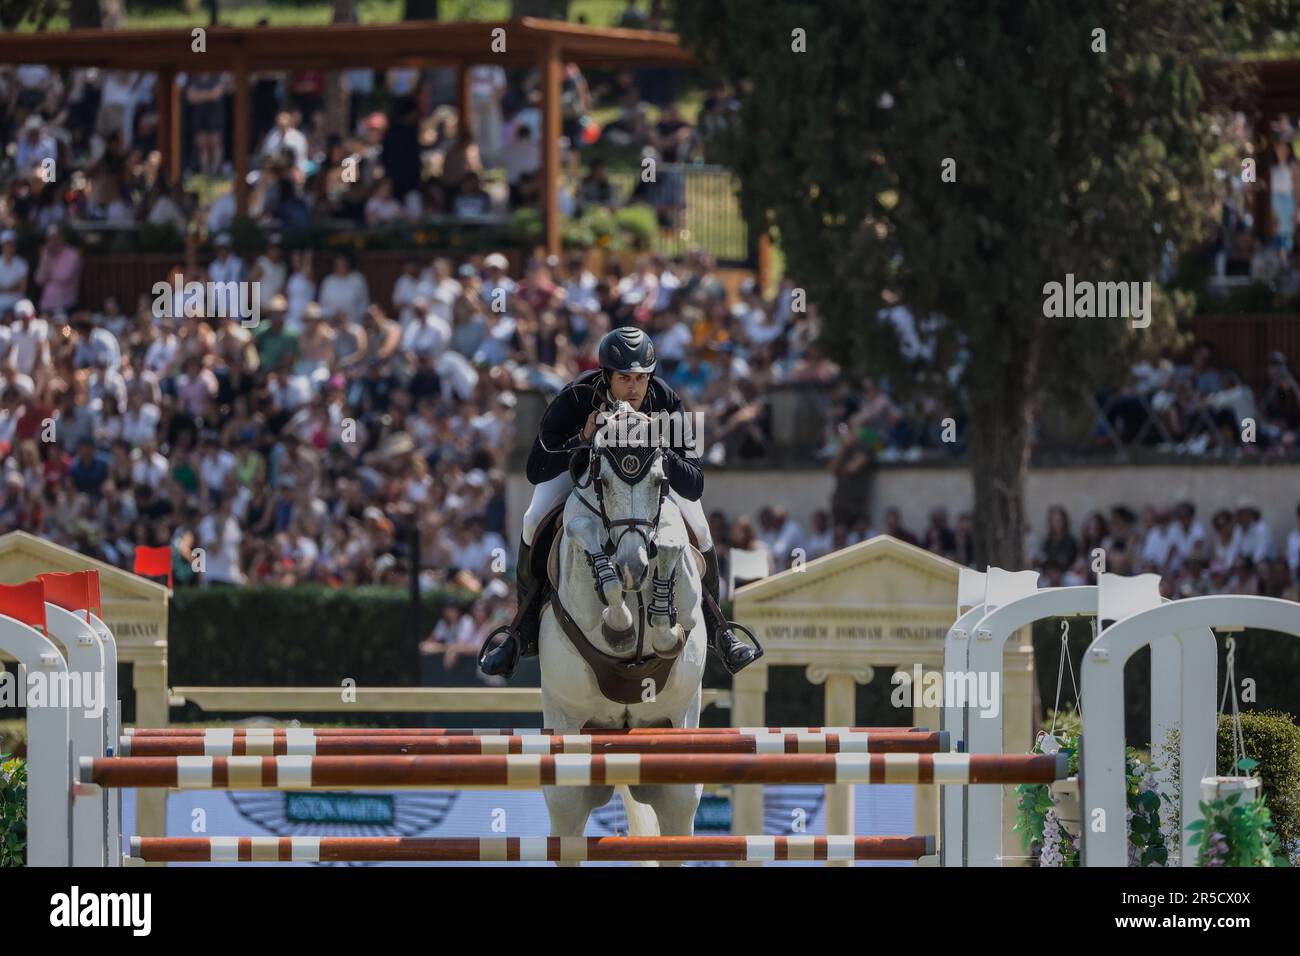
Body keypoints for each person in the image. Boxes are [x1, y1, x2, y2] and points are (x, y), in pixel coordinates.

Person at [479, 326, 758, 678]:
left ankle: (720, 631)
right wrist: (583, 436)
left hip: (649, 480)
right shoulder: (578, 395)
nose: (634, 388)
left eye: (641, 378)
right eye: (624, 378)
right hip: (582, 471)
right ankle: (522, 631)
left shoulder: (667, 401)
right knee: (533, 519)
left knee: (700, 529)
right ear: (606, 375)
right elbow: (536, 468)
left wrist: (658, 445)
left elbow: (694, 483)